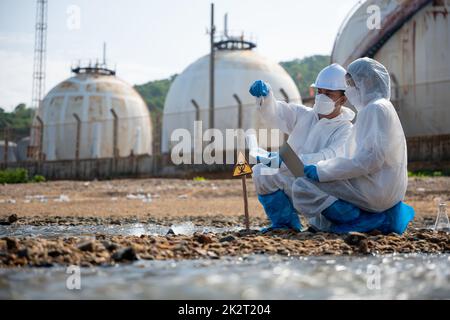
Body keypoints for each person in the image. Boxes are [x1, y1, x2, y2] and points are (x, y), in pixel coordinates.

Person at [293, 57, 415, 234]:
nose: (348, 90)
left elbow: (369, 160)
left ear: (364, 83)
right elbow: (362, 157)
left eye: (351, 84)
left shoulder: (375, 109)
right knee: (319, 187)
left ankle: (363, 221)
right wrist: (324, 169)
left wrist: (321, 171)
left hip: (377, 189)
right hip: (384, 186)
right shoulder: (378, 108)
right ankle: (365, 219)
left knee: (303, 186)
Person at [248, 63, 355, 232]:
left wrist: (286, 160)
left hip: (327, 189)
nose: (322, 96)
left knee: (328, 225)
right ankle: (284, 225)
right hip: (300, 179)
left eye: (328, 93)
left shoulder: (345, 129)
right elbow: (276, 113)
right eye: (319, 91)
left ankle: (335, 222)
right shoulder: (304, 115)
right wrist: (266, 96)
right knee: (262, 172)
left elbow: (329, 157)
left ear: (343, 98)